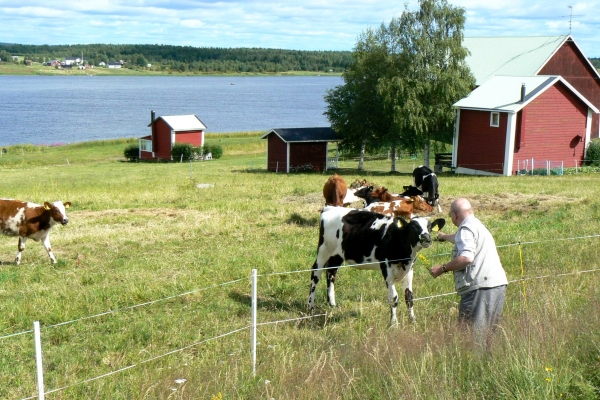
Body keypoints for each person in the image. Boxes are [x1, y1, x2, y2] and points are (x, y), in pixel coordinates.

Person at [429, 198, 508, 347]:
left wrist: (441, 269)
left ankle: (475, 366)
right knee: (489, 337)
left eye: (450, 215)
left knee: (473, 338)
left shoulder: (465, 229)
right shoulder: (475, 225)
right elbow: (461, 238)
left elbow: (466, 257)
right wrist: (444, 236)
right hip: (497, 285)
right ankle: (488, 366)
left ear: (455, 215)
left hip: (480, 289)